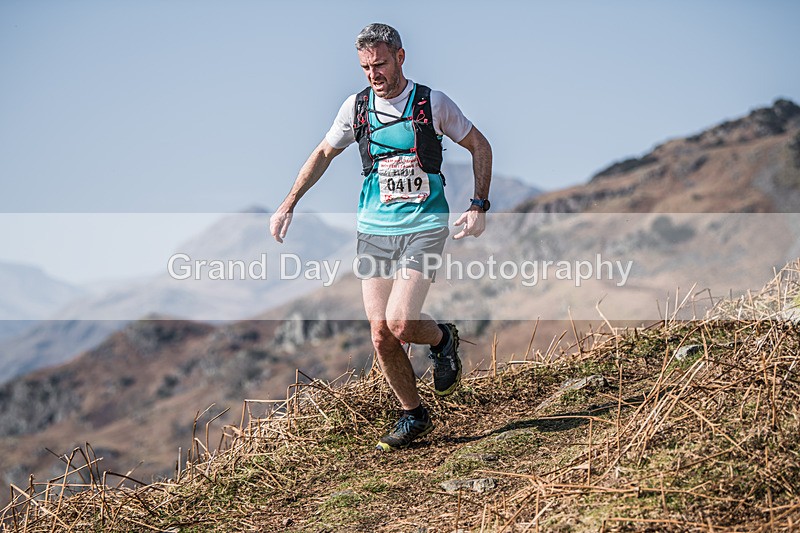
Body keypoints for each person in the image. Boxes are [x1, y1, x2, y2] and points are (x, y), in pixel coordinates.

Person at [269, 23, 492, 451]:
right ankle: (414, 415)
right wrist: (289, 202)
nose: (375, 74)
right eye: (366, 67)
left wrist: (479, 203)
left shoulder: (432, 103)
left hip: (425, 224)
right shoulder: (355, 109)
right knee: (380, 333)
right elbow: (322, 154)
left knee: (402, 322)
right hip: (373, 230)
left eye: (382, 64)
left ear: (401, 58)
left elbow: (480, 146)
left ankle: (443, 339)